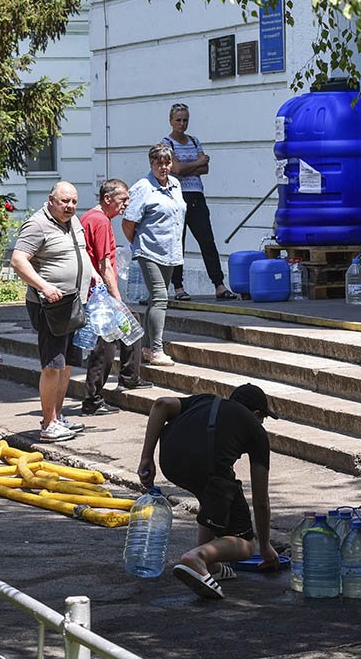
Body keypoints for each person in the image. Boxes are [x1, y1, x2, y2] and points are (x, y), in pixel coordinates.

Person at [137, 384, 279, 600]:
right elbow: (261, 501)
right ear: (257, 413)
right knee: (246, 543)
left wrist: (146, 457)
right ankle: (198, 557)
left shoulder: (207, 402)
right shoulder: (255, 429)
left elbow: (161, 404)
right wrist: (266, 546)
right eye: (262, 418)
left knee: (212, 493)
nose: (260, 423)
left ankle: (210, 565)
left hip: (171, 460)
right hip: (207, 468)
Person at [10, 183, 93, 443]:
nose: (70, 206)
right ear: (51, 200)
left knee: (66, 364)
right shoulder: (37, 225)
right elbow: (18, 261)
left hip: (74, 302)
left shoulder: (72, 221)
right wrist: (44, 286)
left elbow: (79, 254)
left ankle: (57, 416)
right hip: (51, 306)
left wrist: (94, 274)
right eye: (65, 201)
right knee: (52, 364)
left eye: (74, 201)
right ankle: (48, 424)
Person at [80, 179, 149, 416]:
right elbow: (104, 265)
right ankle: (92, 400)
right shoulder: (100, 221)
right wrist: (117, 299)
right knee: (104, 347)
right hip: (99, 295)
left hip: (95, 293)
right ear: (108, 198)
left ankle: (130, 377)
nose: (126, 204)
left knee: (132, 322)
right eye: (123, 199)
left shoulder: (91, 217)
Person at [161, 103, 237, 301]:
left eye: (185, 120)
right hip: (177, 197)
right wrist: (196, 163)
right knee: (178, 243)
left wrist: (189, 167)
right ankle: (178, 287)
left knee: (207, 241)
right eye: (178, 120)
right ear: (171, 121)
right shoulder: (166, 143)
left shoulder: (194, 141)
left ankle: (219, 284)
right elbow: (176, 169)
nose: (182, 124)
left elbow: (205, 169)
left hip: (196, 196)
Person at [123, 144, 186, 367]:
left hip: (170, 250)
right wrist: (138, 244)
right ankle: (157, 350)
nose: (163, 167)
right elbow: (128, 222)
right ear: (151, 164)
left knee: (155, 298)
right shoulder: (143, 187)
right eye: (159, 163)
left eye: (167, 163)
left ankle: (147, 348)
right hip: (149, 250)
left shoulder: (175, 184)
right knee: (160, 297)